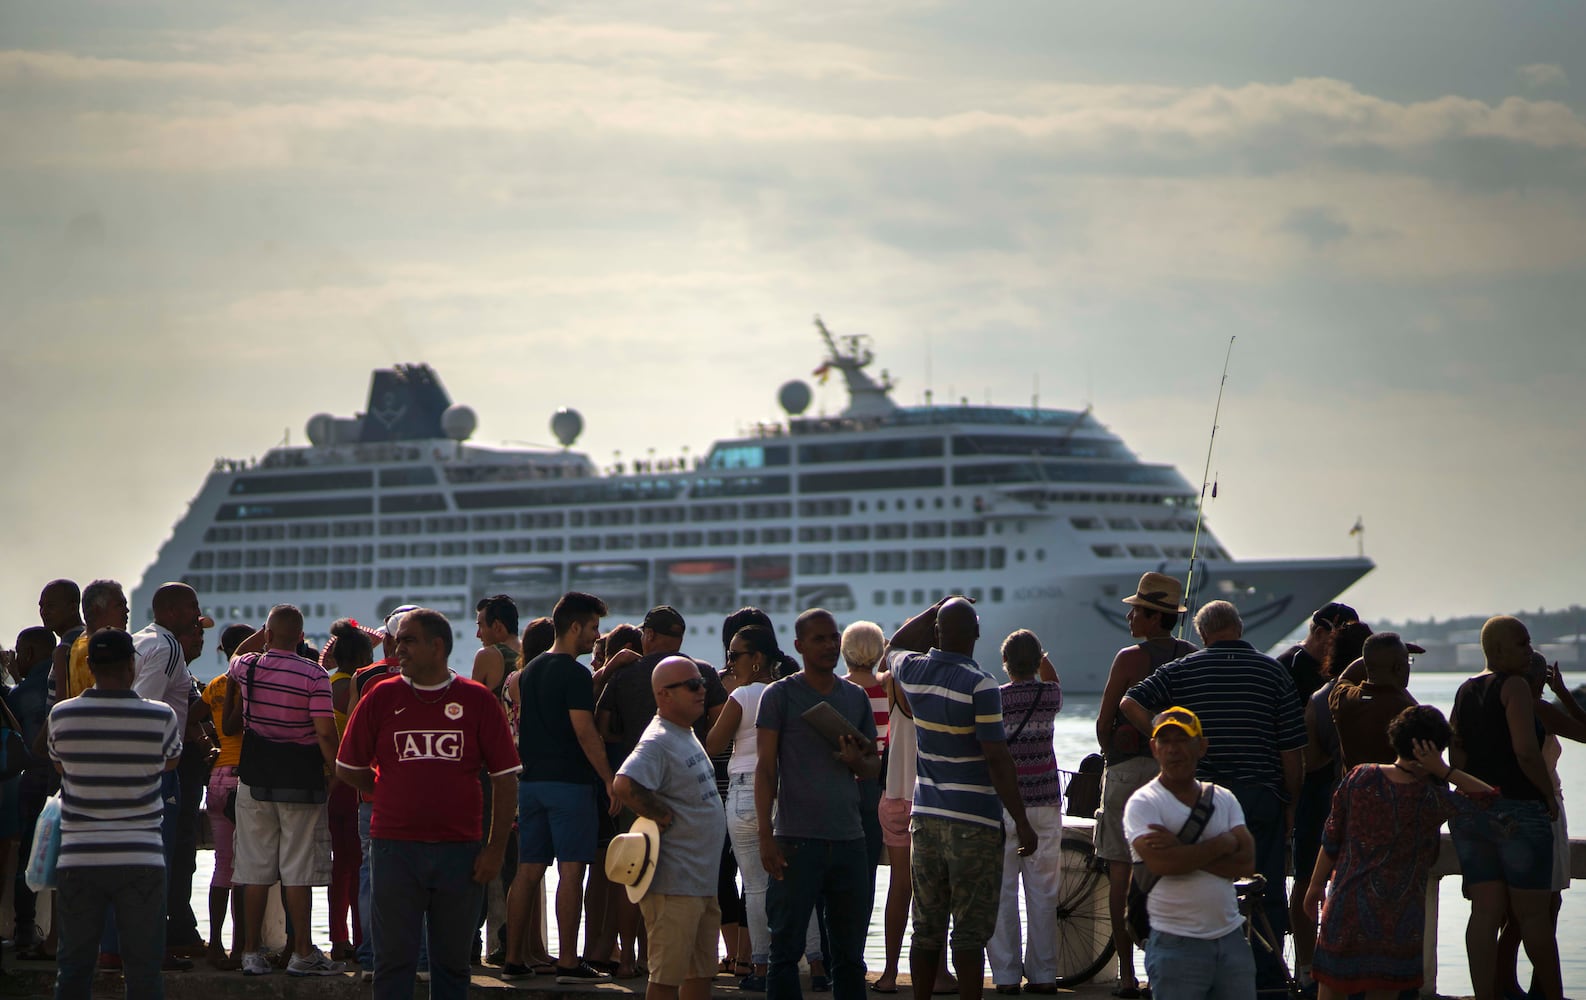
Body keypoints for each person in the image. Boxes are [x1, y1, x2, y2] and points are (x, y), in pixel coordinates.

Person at [337, 608, 522, 1000]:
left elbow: (505, 779)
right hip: (394, 849)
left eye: (408, 640)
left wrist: (495, 850)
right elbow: (346, 766)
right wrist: (390, 789)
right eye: (396, 640)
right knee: (392, 964)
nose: (396, 648)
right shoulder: (381, 695)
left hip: (461, 852)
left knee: (453, 966)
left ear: (437, 646)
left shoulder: (476, 699)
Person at [1120, 600, 1304, 993]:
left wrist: (1160, 734)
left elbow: (1128, 700)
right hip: (1260, 794)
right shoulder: (1273, 672)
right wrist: (1290, 803)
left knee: (1197, 881)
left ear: (1202, 635)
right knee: (1264, 888)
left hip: (1199, 799)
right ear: (1239, 629)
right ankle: (1266, 983)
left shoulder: (1183, 668)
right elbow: (1291, 751)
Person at [886, 598, 1037, 1000]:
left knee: (927, 927)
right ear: (976, 635)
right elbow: (996, 757)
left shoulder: (914, 672)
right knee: (970, 931)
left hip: (927, 820)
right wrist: (1021, 821)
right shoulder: (981, 684)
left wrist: (934, 610)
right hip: (974, 823)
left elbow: (894, 647)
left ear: (936, 632)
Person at [1303, 705, 1496, 1000]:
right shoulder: (1431, 798)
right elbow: (1491, 803)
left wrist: (1316, 886)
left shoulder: (1359, 777)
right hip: (1399, 918)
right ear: (1435, 749)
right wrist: (1443, 770)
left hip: (1346, 905)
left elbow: (1331, 838)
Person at [48, 628, 183, 1000]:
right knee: (143, 971)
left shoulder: (62, 716)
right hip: (140, 857)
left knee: (74, 968)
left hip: (80, 858)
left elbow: (61, 767)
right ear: (132, 664)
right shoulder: (161, 717)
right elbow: (170, 762)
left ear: (90, 666)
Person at [756, 608, 880, 1000]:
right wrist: (765, 835)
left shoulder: (855, 697)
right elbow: (764, 769)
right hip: (795, 840)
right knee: (785, 954)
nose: (829, 645)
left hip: (849, 839)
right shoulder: (779, 695)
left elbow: (875, 765)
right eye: (819, 639)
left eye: (833, 637)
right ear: (799, 646)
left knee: (849, 958)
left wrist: (856, 762)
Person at [502, 591, 618, 984]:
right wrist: (607, 778)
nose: (595, 637)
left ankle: (514, 959)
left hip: (530, 784)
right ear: (574, 627)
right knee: (573, 874)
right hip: (569, 784)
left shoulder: (530, 670)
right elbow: (585, 731)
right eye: (592, 628)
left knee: (528, 872)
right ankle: (569, 960)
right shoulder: (575, 673)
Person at [221, 604, 343, 977]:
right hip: (301, 781)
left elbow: (238, 654)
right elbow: (324, 731)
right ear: (303, 638)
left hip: (255, 780)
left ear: (269, 635)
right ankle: (302, 953)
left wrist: (261, 635)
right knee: (297, 870)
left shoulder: (248, 666)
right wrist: (336, 771)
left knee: (254, 869)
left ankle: (250, 954)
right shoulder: (315, 674)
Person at [1093, 572, 1195, 996]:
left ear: (1155, 618)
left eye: (1137, 610)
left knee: (1121, 871)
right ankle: (1165, 969)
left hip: (1127, 771)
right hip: (1172, 774)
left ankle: (1126, 974)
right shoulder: (1191, 654)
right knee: (1168, 872)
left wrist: (1111, 759)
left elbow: (1103, 721)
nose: (1131, 616)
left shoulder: (1128, 658)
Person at [1449, 617, 1562, 1000]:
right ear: (1498, 648)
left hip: (1471, 811)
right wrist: (1547, 795)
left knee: (1483, 913)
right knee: (1533, 915)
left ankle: (1485, 996)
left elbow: (1456, 754)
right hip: (1518, 809)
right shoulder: (1513, 685)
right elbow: (1526, 752)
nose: (1529, 651)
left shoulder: (1465, 691)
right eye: (1523, 643)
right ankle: (1553, 995)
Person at [614, 656, 729, 1000]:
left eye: (702, 683)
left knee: (700, 974)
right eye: (692, 685)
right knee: (666, 978)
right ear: (664, 695)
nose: (702, 690)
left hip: (699, 882)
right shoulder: (658, 740)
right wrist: (659, 814)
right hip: (674, 883)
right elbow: (624, 783)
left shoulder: (684, 733)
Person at [1124, 707, 1256, 1000]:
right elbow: (1162, 863)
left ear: (1202, 746)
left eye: (1182, 740)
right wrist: (1221, 845)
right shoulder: (1144, 803)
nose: (1173, 750)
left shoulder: (1223, 798)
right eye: (1165, 741)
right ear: (1154, 749)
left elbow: (1247, 863)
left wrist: (1183, 852)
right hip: (1175, 944)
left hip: (1231, 939)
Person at [1290, 619, 1373, 992]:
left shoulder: (1320, 698)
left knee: (1307, 883)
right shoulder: (1379, 698)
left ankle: (1308, 968)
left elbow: (1310, 758)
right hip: (1365, 805)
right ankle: (1354, 971)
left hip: (1317, 800)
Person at [129, 582, 208, 962]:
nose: (198, 616)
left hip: (135, 768)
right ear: (174, 612)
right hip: (156, 770)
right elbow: (146, 710)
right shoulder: (167, 647)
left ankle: (138, 942)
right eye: (193, 608)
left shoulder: (141, 639)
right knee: (159, 856)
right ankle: (153, 946)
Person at [987, 630, 1064, 995]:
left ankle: (1005, 977)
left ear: (1005, 665)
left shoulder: (996, 700)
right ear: (1037, 662)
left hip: (1004, 806)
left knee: (1002, 893)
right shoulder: (1049, 696)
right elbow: (1053, 678)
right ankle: (1044, 975)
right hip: (1045, 803)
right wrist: (1041, 658)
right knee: (1043, 893)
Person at [706, 624, 783, 990]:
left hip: (744, 792)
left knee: (754, 886)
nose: (729, 662)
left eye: (735, 655)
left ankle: (761, 968)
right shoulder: (786, 692)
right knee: (793, 883)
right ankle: (814, 966)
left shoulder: (744, 696)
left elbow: (713, 743)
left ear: (756, 659)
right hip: (784, 794)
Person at [321, 619, 375, 963]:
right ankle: (357, 939)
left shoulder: (328, 682)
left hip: (328, 783)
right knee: (355, 867)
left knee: (339, 867)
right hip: (348, 784)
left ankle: (339, 938)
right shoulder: (354, 689)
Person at [201, 623, 252, 970]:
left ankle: (215, 944)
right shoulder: (250, 683)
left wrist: (209, 746)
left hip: (217, 777)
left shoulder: (215, 686)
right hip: (243, 781)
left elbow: (192, 719)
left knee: (222, 866)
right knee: (246, 870)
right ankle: (239, 949)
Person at [9, 626, 57, 960]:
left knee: (28, 856)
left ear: (28, 653)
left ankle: (25, 929)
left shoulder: (19, 692)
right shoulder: (63, 684)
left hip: (32, 779)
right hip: (62, 779)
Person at [1329, 632, 1419, 772]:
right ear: (1398, 668)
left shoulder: (1344, 698)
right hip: (1394, 793)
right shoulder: (1408, 710)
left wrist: (1372, 656)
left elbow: (1344, 677)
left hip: (1353, 791)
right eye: (1407, 661)